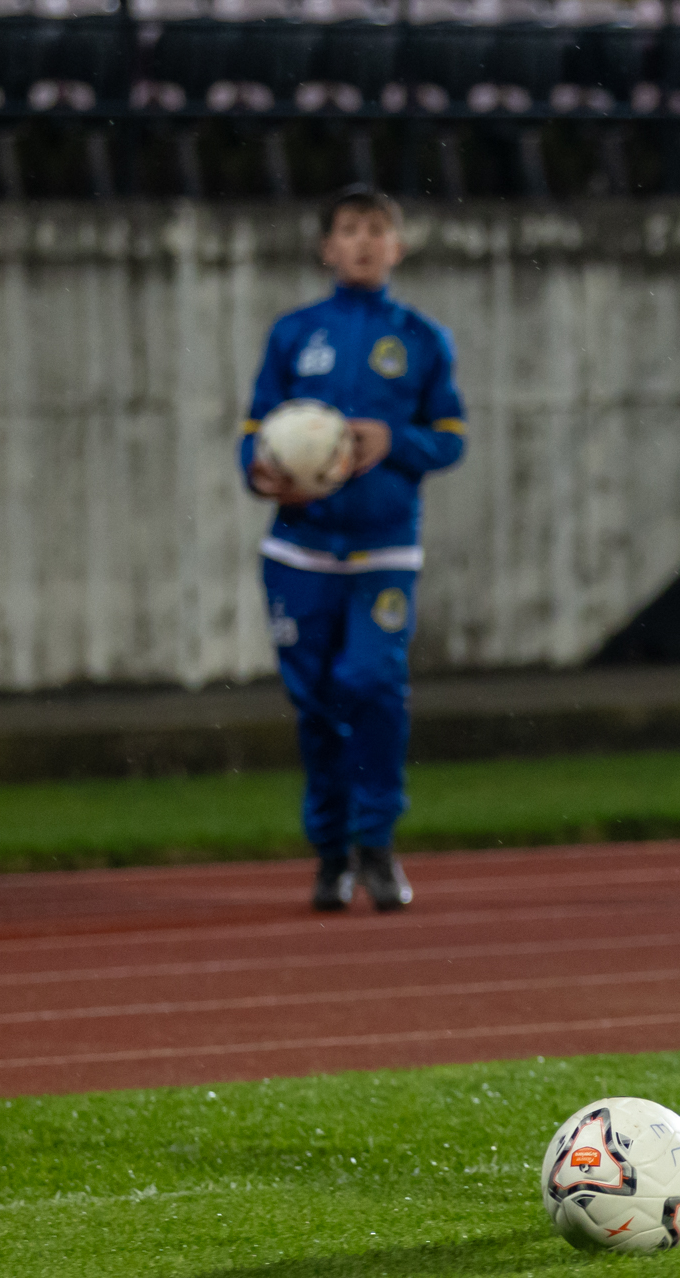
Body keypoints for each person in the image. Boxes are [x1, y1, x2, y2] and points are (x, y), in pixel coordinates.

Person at [239, 186, 467, 912]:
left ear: (397, 247)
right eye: (349, 229)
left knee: (371, 685)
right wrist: (261, 472)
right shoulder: (293, 334)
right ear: (326, 247)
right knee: (316, 706)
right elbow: (254, 432)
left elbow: (451, 438)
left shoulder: (422, 338)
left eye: (377, 229)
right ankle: (331, 852)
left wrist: (392, 439)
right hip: (299, 554)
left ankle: (377, 843)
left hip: (383, 554)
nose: (364, 241)